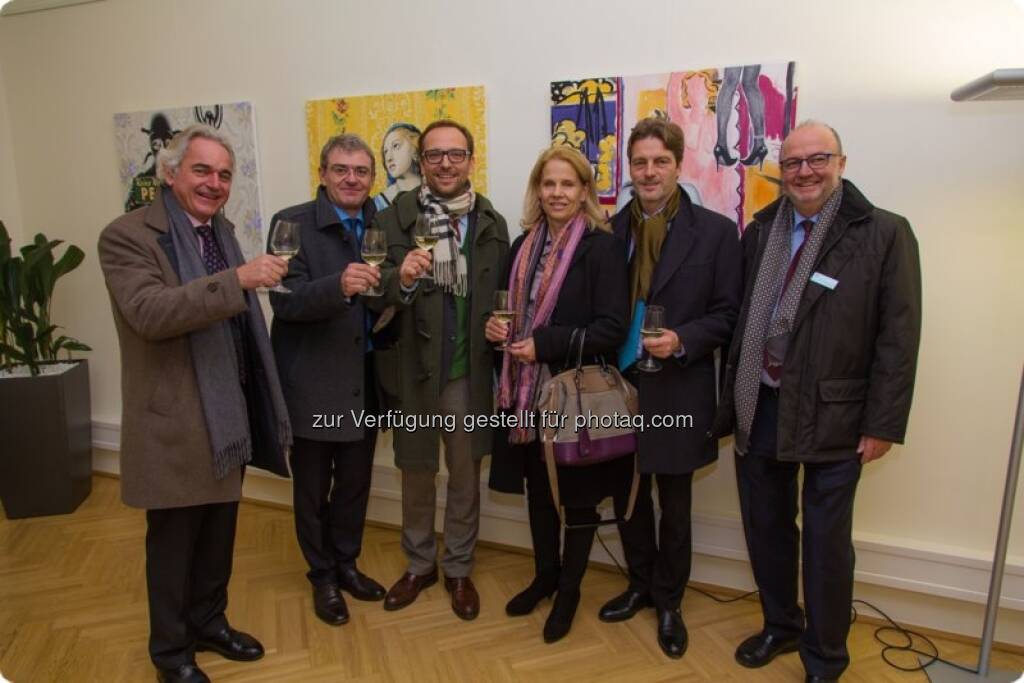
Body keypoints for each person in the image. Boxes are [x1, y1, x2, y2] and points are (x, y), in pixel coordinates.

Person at [714, 120, 922, 683]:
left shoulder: (883, 233)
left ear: (841, 162)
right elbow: (739, 323)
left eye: (817, 159)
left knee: (827, 546)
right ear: (780, 172)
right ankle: (780, 625)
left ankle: (825, 657)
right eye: (793, 163)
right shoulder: (759, 232)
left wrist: (883, 423)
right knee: (767, 528)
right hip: (761, 403)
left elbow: (898, 339)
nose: (804, 171)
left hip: (839, 414)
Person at [98, 124, 292, 683]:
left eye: (224, 174)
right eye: (202, 170)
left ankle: (211, 623)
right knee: (174, 547)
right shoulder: (127, 236)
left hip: (226, 414)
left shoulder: (219, 231)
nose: (214, 183)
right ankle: (171, 654)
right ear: (171, 171)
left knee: (218, 534)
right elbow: (152, 313)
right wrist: (238, 279)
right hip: (175, 422)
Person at [597, 117, 742, 659]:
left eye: (660, 161)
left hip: (680, 387)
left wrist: (684, 338)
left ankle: (669, 601)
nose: (650, 171)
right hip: (618, 386)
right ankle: (638, 584)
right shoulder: (607, 233)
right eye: (640, 163)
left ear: (678, 164)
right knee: (628, 496)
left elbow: (730, 315)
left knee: (674, 504)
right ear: (628, 169)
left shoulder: (717, 233)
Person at [487, 145, 629, 642]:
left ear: (585, 190)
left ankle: (569, 591)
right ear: (537, 190)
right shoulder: (522, 245)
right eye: (548, 184)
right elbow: (508, 312)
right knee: (538, 495)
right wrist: (495, 329)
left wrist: (541, 344)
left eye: (568, 184)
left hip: (575, 398)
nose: (557, 193)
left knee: (579, 500)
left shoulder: (603, 247)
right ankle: (545, 576)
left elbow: (612, 329)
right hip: (526, 400)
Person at [370, 119, 510, 621]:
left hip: (467, 373)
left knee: (466, 476)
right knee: (416, 470)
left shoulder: (492, 223)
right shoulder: (393, 220)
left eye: (455, 154)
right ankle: (418, 564)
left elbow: (501, 298)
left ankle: (457, 568)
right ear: (422, 162)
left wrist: (501, 326)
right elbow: (371, 288)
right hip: (414, 371)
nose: (445, 163)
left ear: (471, 160)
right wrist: (399, 279)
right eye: (434, 155)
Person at [268, 134, 387, 627]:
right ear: (322, 172)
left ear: (372, 178)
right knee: (313, 489)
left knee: (356, 484)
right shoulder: (290, 223)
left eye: (361, 171)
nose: (351, 178)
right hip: (313, 381)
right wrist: (336, 286)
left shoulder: (380, 223)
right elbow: (283, 299)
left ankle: (347, 564)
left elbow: (386, 292)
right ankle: (321, 576)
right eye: (341, 169)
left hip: (364, 378)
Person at [374, 122, 422, 210]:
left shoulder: (437, 194)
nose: (389, 158)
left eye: (396, 146)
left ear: (415, 150)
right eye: (385, 152)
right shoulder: (378, 203)